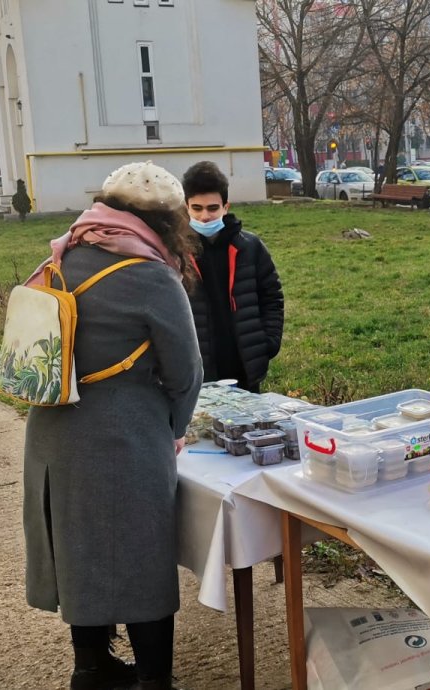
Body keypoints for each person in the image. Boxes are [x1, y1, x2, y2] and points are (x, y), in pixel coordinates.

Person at [21, 161, 203, 690]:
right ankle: (153, 680)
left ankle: (91, 668)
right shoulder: (149, 274)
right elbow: (186, 373)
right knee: (139, 557)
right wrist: (176, 427)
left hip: (52, 433)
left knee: (80, 551)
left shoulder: (62, 254)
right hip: (123, 437)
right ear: (167, 221)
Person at [180, 161, 284, 393]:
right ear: (186, 207)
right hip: (198, 366)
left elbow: (272, 297)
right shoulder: (175, 252)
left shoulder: (250, 247)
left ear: (225, 207)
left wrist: (268, 343)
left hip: (244, 364)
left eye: (212, 208)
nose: (205, 216)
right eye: (197, 208)